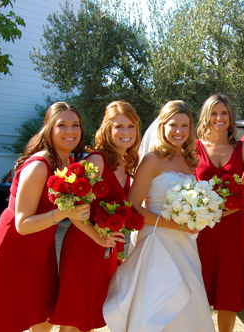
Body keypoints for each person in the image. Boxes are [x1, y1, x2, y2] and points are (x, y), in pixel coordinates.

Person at [103, 100, 215, 332]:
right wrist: (175, 225)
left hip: (185, 243)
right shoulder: (152, 160)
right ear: (162, 126)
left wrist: (199, 215)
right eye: (173, 124)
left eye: (185, 126)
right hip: (157, 241)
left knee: (190, 296)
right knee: (158, 301)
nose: (179, 131)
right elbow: (132, 205)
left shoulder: (189, 161)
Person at [0, 102, 89, 332]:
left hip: (41, 250)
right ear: (49, 129)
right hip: (12, 249)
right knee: (8, 321)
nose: (70, 131)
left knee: (43, 319)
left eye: (75, 124)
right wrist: (65, 212)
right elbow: (22, 224)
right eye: (62, 125)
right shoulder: (39, 166)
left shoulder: (69, 163)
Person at [50, 101, 141, 331]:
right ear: (107, 130)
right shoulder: (97, 161)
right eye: (119, 126)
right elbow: (73, 210)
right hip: (84, 244)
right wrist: (97, 237)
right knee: (74, 315)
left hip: (105, 247)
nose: (126, 132)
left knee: (90, 315)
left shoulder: (126, 162)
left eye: (130, 127)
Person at [195, 94, 244, 332]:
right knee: (198, 290)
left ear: (231, 116)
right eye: (214, 113)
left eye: (224, 113)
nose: (219, 118)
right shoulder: (194, 147)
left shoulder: (243, 150)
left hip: (231, 230)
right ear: (206, 116)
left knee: (227, 293)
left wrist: (237, 206)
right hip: (201, 230)